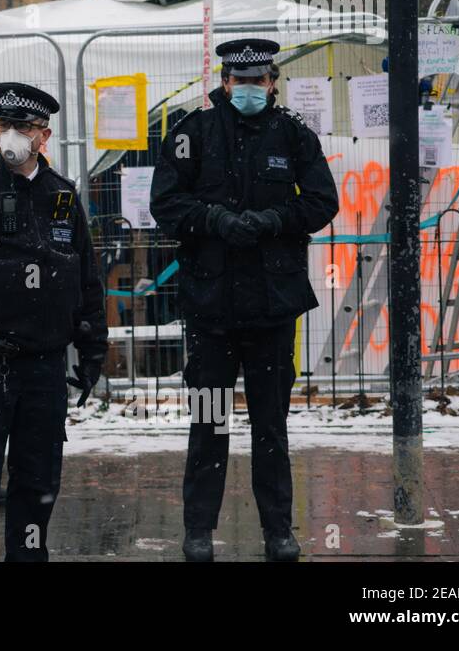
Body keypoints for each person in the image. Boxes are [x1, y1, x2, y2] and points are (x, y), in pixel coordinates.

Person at [148, 38, 339, 563]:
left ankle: (279, 530)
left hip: (273, 305)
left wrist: (275, 220)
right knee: (209, 421)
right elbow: (164, 203)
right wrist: (214, 220)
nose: (249, 89)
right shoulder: (193, 133)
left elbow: (324, 201)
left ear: (272, 81)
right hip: (210, 307)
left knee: (270, 424)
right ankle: (199, 531)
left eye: (259, 81)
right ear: (225, 82)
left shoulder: (293, 133)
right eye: (240, 80)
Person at [0, 82, 108, 561]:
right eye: (3, 125)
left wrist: (92, 352)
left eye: (22, 127)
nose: (10, 135)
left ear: (43, 136)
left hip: (43, 369)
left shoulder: (63, 198)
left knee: (36, 484)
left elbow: (87, 282)